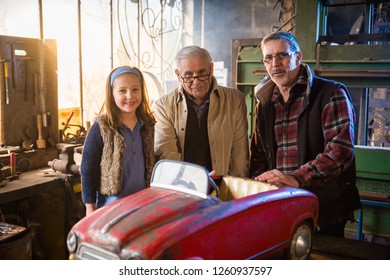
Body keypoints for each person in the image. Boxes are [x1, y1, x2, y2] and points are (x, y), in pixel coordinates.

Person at [249, 32, 361, 237]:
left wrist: (298, 178)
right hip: (279, 206)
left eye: (282, 56)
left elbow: (340, 151)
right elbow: (259, 155)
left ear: (298, 58)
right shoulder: (264, 103)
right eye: (268, 58)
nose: (275, 64)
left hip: (324, 208)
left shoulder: (330, 93)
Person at [153, 45, 249, 179]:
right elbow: (167, 155)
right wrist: (193, 183)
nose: (196, 82)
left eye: (202, 73)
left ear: (212, 69)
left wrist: (234, 190)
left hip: (224, 187)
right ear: (178, 75)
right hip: (182, 187)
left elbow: (239, 156)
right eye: (188, 75)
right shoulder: (163, 106)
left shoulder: (234, 100)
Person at [80, 66, 155, 216]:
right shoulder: (101, 127)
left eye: (135, 89)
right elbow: (88, 169)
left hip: (142, 203)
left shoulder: (147, 124)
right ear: (112, 94)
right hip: (111, 208)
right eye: (122, 91)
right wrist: (90, 208)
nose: (130, 96)